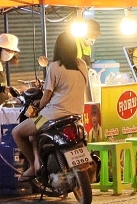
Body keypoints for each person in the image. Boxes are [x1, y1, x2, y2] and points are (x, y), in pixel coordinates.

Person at [15, 31, 87, 180]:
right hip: (75, 115)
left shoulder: (55, 67)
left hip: (51, 116)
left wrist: (38, 105)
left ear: (57, 49)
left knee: (17, 132)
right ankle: (38, 161)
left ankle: (33, 166)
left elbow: (46, 97)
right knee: (33, 130)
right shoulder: (82, 65)